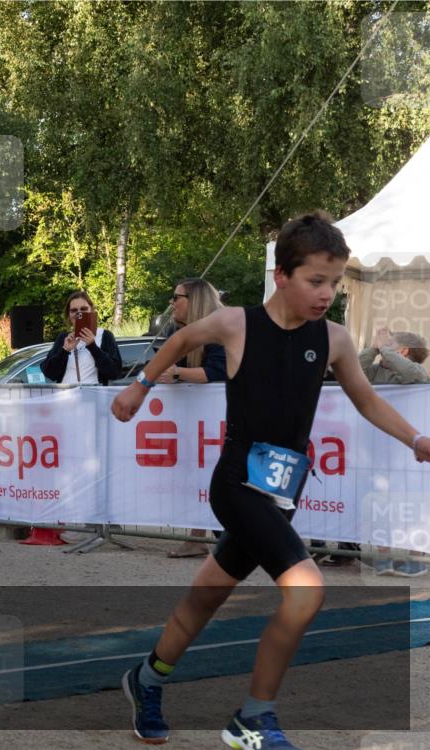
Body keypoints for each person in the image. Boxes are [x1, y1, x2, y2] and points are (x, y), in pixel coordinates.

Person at [111, 211, 429, 749]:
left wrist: (417, 440)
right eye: (315, 281)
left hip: (283, 492)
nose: (327, 293)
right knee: (307, 591)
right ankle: (252, 718)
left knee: (205, 596)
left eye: (333, 282)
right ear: (281, 275)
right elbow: (181, 335)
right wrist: (139, 387)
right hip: (235, 485)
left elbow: (368, 399)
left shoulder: (333, 340)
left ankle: (145, 680)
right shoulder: (237, 324)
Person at [157, 278, 227, 558]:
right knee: (196, 477)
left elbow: (217, 373)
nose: (172, 302)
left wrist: (177, 374)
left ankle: (230, 541)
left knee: (219, 478)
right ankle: (196, 537)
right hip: (198, 423)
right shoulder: (182, 332)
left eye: (177, 297)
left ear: (195, 300)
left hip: (223, 420)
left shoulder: (219, 329)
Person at [361, 328, 429, 577]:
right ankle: (383, 558)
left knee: (412, 504)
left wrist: (386, 349)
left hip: (408, 453)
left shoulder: (414, 372)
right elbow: (353, 369)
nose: (383, 347)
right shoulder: (377, 371)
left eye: (391, 344)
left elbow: (412, 373)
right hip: (378, 450)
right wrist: (374, 348)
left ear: (403, 351)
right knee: (381, 503)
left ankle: (416, 559)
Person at [40, 291, 122, 384]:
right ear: (69, 315)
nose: (79, 313)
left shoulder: (104, 335)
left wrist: (93, 346)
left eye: (83, 309)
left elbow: (114, 373)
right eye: (74, 310)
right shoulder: (64, 338)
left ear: (91, 310)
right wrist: (65, 350)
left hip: (94, 395)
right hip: (65, 395)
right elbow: (49, 373)